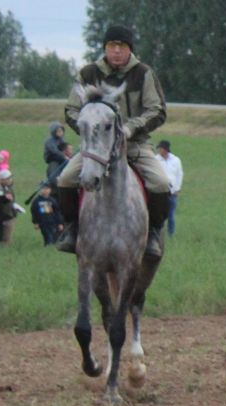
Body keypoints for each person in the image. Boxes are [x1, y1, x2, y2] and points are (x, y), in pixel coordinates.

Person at [53, 23, 172, 256]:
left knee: (161, 183)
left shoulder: (144, 73)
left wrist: (130, 128)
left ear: (130, 49)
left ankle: (153, 233)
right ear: (105, 48)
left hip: (134, 144)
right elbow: (71, 110)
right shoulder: (88, 73)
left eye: (121, 46)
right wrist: (89, 128)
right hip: (96, 147)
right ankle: (72, 229)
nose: (116, 51)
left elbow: (157, 110)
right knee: (65, 179)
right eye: (111, 46)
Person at [156, 139, 184, 236]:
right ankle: (159, 233)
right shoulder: (156, 160)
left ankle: (171, 233)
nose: (159, 151)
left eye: (161, 149)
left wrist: (177, 188)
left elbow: (179, 174)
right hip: (160, 192)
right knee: (159, 214)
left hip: (172, 192)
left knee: (171, 215)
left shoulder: (176, 160)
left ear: (165, 149)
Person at [30, 182, 61, 247]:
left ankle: (51, 246)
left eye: (47, 189)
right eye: (43, 189)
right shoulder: (37, 201)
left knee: (53, 236)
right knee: (47, 236)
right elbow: (34, 212)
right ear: (40, 190)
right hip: (43, 223)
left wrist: (59, 223)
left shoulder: (52, 200)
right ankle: (48, 246)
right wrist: (36, 222)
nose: (45, 190)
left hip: (52, 222)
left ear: (50, 190)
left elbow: (57, 212)